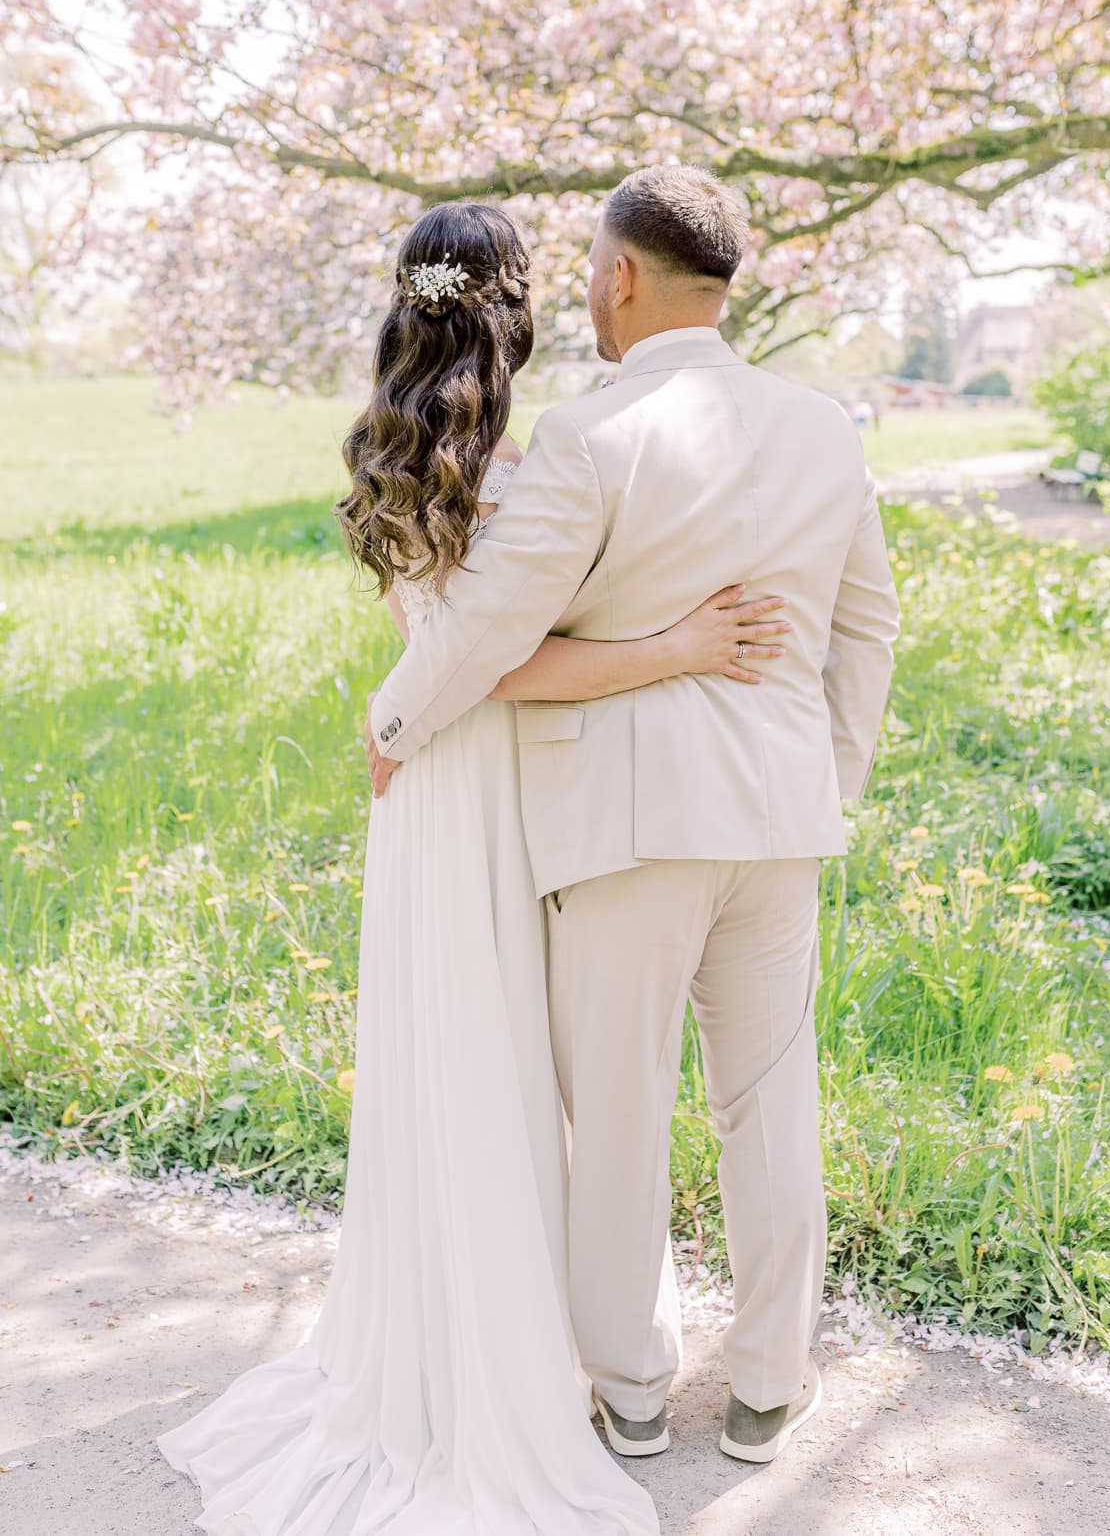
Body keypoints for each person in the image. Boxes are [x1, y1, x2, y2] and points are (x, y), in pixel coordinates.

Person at [154, 198, 790, 1533]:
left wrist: (392, 717)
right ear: (518, 307)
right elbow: (491, 657)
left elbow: (445, 650)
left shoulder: (401, 447)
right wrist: (677, 648)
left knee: (468, 1068)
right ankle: (518, 1365)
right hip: (495, 773)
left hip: (438, 785)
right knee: (518, 1072)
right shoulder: (524, 456)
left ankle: (491, 1341)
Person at [367, 165, 901, 1467]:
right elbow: (867, 623)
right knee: (769, 1105)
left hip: (623, 831)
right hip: (777, 827)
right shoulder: (822, 426)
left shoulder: (591, 439)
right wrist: (824, 779)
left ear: (617, 278)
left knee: (613, 1110)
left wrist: (390, 724)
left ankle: (635, 1388)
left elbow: (485, 627)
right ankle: (770, 1384)